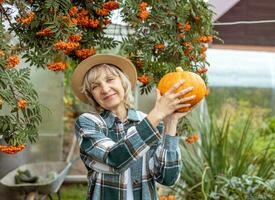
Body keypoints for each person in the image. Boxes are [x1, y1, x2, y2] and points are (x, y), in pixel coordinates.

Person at [71, 54, 196, 200]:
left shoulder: (148, 121)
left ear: (123, 83)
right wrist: (156, 114)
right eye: (95, 86)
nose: (104, 89)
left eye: (110, 79)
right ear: (92, 95)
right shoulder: (88, 123)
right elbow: (115, 158)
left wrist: (171, 123)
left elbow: (168, 178)